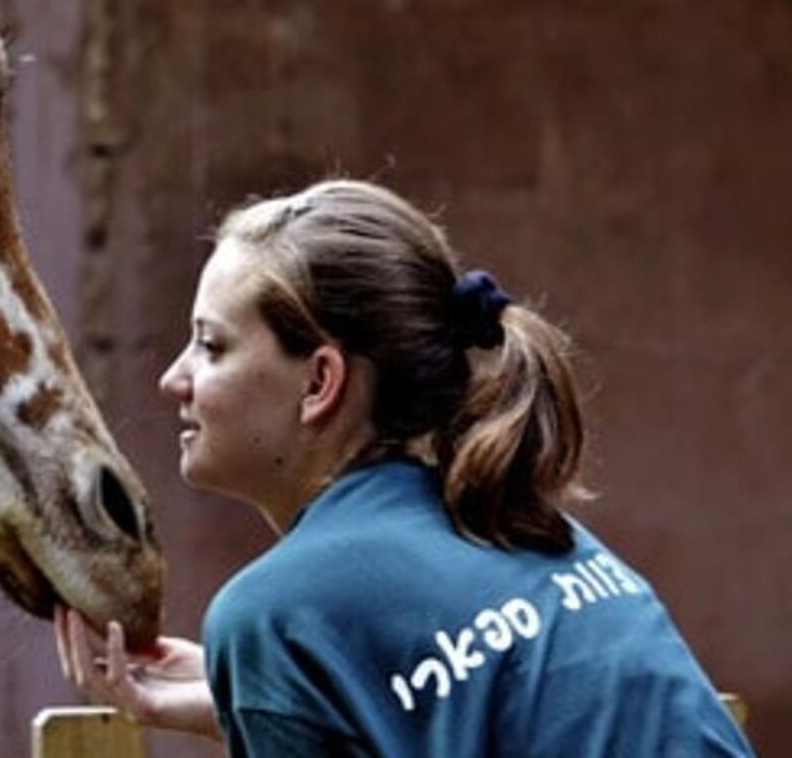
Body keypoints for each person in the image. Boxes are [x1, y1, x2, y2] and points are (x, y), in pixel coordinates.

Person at [53, 180, 751, 756]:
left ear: (319, 382)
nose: (174, 379)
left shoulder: (279, 613)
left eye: (211, 346)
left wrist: (272, 678)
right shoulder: (536, 531)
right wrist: (251, 697)